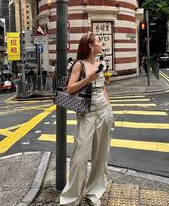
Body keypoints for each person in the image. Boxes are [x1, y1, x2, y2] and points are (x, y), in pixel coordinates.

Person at [60, 32, 114, 206]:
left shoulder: (101, 64)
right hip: (87, 114)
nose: (101, 43)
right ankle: (70, 199)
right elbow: (70, 89)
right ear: (90, 46)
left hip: (104, 112)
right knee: (79, 158)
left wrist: (110, 108)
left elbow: (103, 89)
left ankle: (93, 193)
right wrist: (88, 79)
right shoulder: (79, 65)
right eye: (98, 41)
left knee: (101, 156)